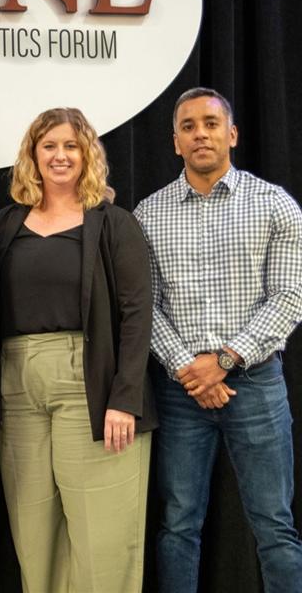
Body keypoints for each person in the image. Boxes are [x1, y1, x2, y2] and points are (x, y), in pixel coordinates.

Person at [0, 106, 157, 593]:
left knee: (103, 534)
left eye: (71, 146)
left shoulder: (113, 224)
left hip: (91, 383)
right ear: (32, 154)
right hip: (16, 385)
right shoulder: (4, 225)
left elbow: (138, 315)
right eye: (49, 145)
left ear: (87, 154)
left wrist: (125, 398)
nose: (60, 155)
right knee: (35, 534)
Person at [134, 87, 302, 593]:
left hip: (256, 386)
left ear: (231, 134)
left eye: (210, 123)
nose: (200, 133)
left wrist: (225, 360)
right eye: (188, 126)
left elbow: (289, 297)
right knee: (178, 523)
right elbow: (147, 307)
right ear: (175, 142)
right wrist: (191, 368)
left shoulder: (275, 204)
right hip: (181, 391)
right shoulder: (148, 214)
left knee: (274, 525)